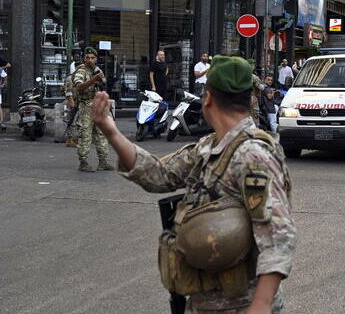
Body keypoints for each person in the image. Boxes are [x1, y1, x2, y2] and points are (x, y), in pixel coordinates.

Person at [90, 56, 296, 312]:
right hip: (203, 301)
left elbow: (278, 235)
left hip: (241, 305)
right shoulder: (209, 147)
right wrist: (111, 131)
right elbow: (160, 174)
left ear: (207, 98)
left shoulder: (253, 155)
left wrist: (261, 305)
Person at [73, 47, 113, 172]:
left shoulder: (97, 70)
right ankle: (83, 162)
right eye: (87, 58)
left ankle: (103, 162)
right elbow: (79, 87)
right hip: (86, 106)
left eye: (92, 58)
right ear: (84, 58)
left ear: (96, 59)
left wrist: (99, 79)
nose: (90, 60)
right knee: (85, 135)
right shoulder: (81, 71)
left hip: (98, 106)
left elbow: (104, 82)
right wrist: (93, 80)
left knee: (102, 134)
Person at [61, 61, 82, 147]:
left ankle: (76, 139)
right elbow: (68, 92)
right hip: (73, 101)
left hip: (78, 101)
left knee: (77, 121)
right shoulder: (70, 78)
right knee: (71, 121)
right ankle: (70, 140)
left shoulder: (78, 77)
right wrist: (71, 102)